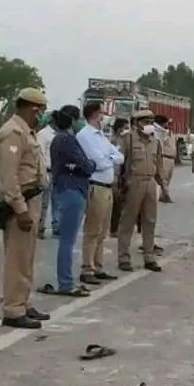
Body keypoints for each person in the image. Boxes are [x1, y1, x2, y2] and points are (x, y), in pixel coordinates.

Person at [0, 88, 49, 329]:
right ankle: (13, 310)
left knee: (26, 257)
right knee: (17, 259)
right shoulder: (13, 133)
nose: (41, 116)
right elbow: (9, 177)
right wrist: (20, 209)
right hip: (20, 203)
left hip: (31, 199)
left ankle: (22, 302)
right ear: (33, 109)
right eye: (40, 112)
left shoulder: (27, 132)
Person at [49, 109, 96, 296]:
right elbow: (86, 165)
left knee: (67, 239)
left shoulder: (58, 139)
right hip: (72, 190)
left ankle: (66, 281)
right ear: (73, 121)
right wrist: (90, 164)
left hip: (65, 188)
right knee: (68, 240)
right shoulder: (67, 140)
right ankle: (66, 283)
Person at [78, 101, 124, 285]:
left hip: (107, 187)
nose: (104, 116)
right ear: (95, 114)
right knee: (92, 230)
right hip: (95, 185)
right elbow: (97, 161)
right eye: (102, 113)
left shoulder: (101, 136)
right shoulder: (85, 135)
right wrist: (110, 158)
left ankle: (97, 266)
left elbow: (119, 157)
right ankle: (87, 268)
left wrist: (109, 158)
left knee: (102, 231)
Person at [117, 109, 163, 273]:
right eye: (145, 122)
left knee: (150, 220)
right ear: (136, 123)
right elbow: (119, 163)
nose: (149, 125)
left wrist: (162, 184)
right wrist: (120, 184)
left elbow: (158, 164)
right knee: (128, 220)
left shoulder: (155, 141)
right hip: (134, 181)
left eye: (151, 122)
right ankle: (123, 257)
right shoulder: (127, 139)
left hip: (150, 181)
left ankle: (149, 257)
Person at [35, 112, 57, 239]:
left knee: (53, 202)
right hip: (46, 171)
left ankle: (50, 227)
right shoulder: (43, 134)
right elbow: (40, 155)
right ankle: (38, 227)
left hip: (56, 172)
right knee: (42, 202)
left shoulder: (58, 134)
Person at [109, 117, 130, 236]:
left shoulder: (125, 141)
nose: (127, 130)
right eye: (125, 128)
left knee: (121, 203)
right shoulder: (113, 141)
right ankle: (113, 229)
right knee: (116, 204)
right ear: (119, 129)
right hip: (114, 175)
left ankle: (116, 228)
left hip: (122, 175)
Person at [155, 115, 176, 203]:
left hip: (172, 158)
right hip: (165, 157)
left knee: (169, 178)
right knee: (164, 178)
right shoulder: (163, 134)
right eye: (168, 124)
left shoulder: (172, 134)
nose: (169, 125)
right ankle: (164, 195)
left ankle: (164, 194)